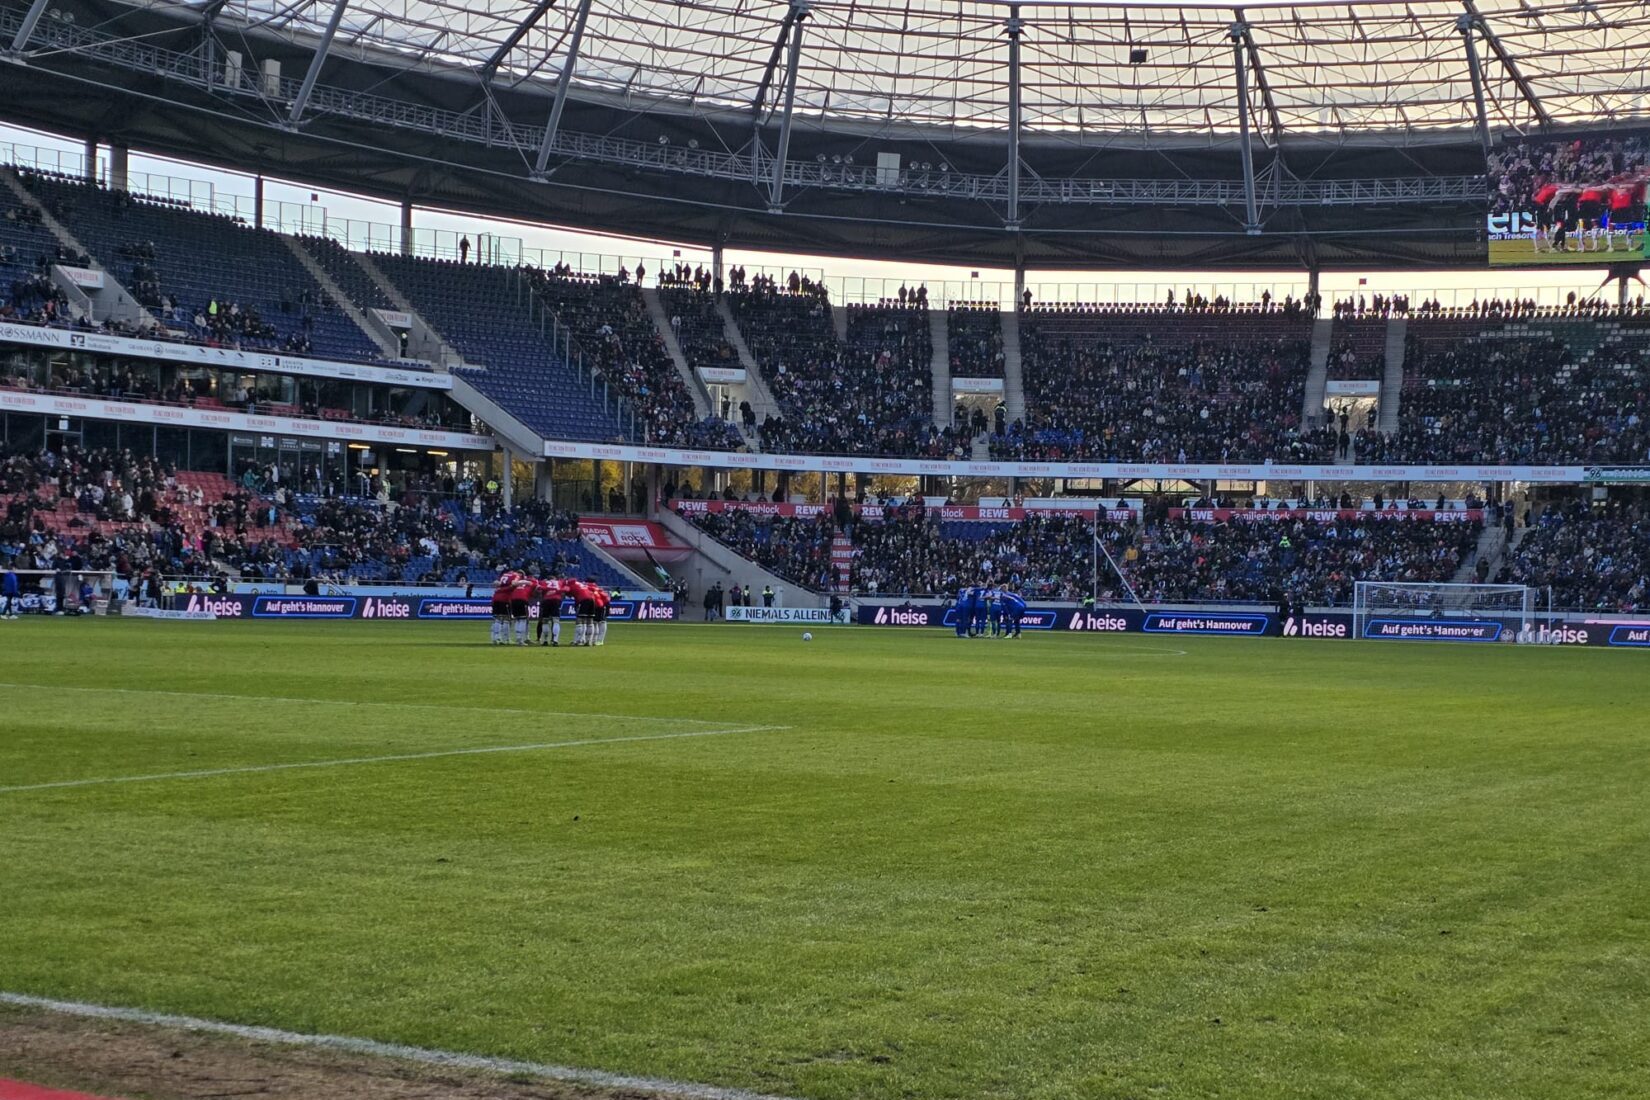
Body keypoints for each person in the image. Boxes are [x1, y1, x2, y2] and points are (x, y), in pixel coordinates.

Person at [490, 569, 519, 646]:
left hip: (495, 598)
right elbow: (513, 584)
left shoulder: (503, 575)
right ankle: (506, 639)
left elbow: (496, 583)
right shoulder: (515, 575)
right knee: (506, 619)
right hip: (505, 599)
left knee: (497, 619)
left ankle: (495, 638)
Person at [536, 574, 564, 647]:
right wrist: (556, 591)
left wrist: (546, 590)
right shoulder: (559, 582)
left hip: (546, 601)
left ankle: (545, 640)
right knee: (556, 621)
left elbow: (538, 588)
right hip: (556, 600)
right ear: (554, 578)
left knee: (545, 621)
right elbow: (566, 589)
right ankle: (555, 640)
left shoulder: (543, 582)